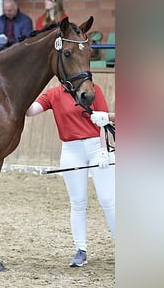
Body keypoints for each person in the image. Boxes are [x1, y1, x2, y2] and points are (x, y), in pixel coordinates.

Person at [25, 84, 115, 267]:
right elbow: (31, 111)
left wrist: (104, 150)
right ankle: (80, 250)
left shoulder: (93, 89)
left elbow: (103, 121)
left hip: (96, 146)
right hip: (71, 150)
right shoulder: (53, 94)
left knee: (107, 200)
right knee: (78, 202)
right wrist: (24, 90)